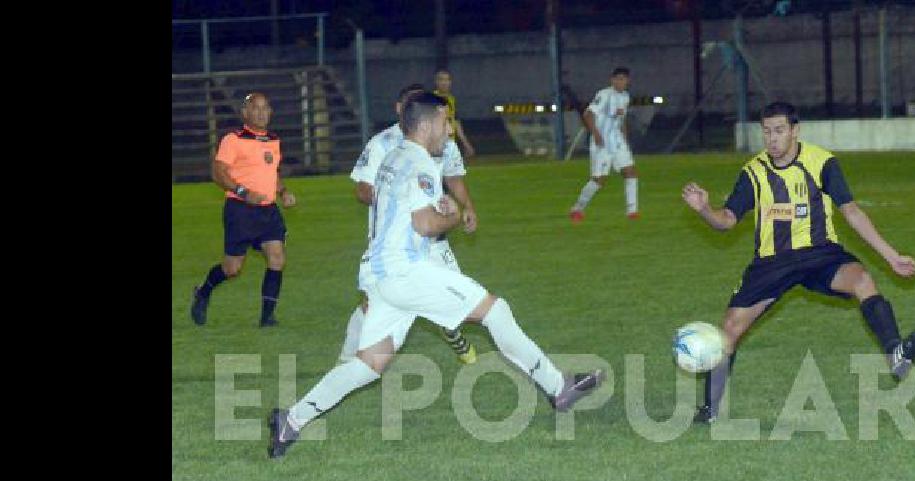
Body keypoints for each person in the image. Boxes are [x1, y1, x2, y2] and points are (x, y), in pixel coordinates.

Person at [267, 93, 605, 458]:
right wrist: (454, 214)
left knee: (370, 364)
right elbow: (426, 224)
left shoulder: (394, 157)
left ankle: (292, 419)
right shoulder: (421, 162)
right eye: (446, 123)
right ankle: (559, 388)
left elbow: (405, 210)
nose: (450, 130)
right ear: (427, 124)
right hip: (406, 270)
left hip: (380, 275)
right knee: (495, 310)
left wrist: (438, 207)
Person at [680, 101, 915, 424]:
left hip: (819, 254)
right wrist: (703, 209)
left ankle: (895, 353)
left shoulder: (822, 162)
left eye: (779, 131)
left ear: (795, 131)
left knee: (863, 280)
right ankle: (710, 410)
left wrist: (891, 256)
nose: (772, 139)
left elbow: (851, 211)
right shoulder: (753, 173)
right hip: (772, 263)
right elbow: (726, 220)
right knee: (729, 330)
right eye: (767, 132)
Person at [342, 83, 478, 365]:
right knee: (372, 304)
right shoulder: (382, 144)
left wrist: (467, 207)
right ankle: (347, 360)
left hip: (432, 237)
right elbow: (362, 189)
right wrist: (396, 195)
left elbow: (452, 176)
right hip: (393, 242)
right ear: (400, 110)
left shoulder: (443, 140)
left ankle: (453, 333)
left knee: (454, 298)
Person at [190, 92, 297, 327]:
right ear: (245, 113)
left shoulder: (273, 140)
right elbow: (218, 173)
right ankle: (203, 292)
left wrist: (283, 191)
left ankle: (267, 317)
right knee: (232, 268)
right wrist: (243, 193)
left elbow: (271, 172)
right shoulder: (233, 139)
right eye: (255, 108)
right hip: (240, 210)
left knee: (277, 257)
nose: (261, 113)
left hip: (268, 211)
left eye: (265, 108)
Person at [569, 67, 640, 222]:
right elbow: (587, 114)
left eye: (623, 79)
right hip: (602, 142)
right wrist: (596, 134)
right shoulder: (604, 95)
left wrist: (625, 139)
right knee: (599, 179)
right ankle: (577, 208)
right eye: (618, 79)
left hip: (617, 140)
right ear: (612, 80)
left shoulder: (626, 97)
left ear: (628, 81)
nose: (621, 82)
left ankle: (632, 211)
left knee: (630, 171)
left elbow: (622, 120)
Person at [432, 69, 476, 158]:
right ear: (436, 82)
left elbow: (455, 122)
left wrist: (466, 144)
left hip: (450, 144)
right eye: (441, 80)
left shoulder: (451, 99)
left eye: (447, 80)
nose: (444, 83)